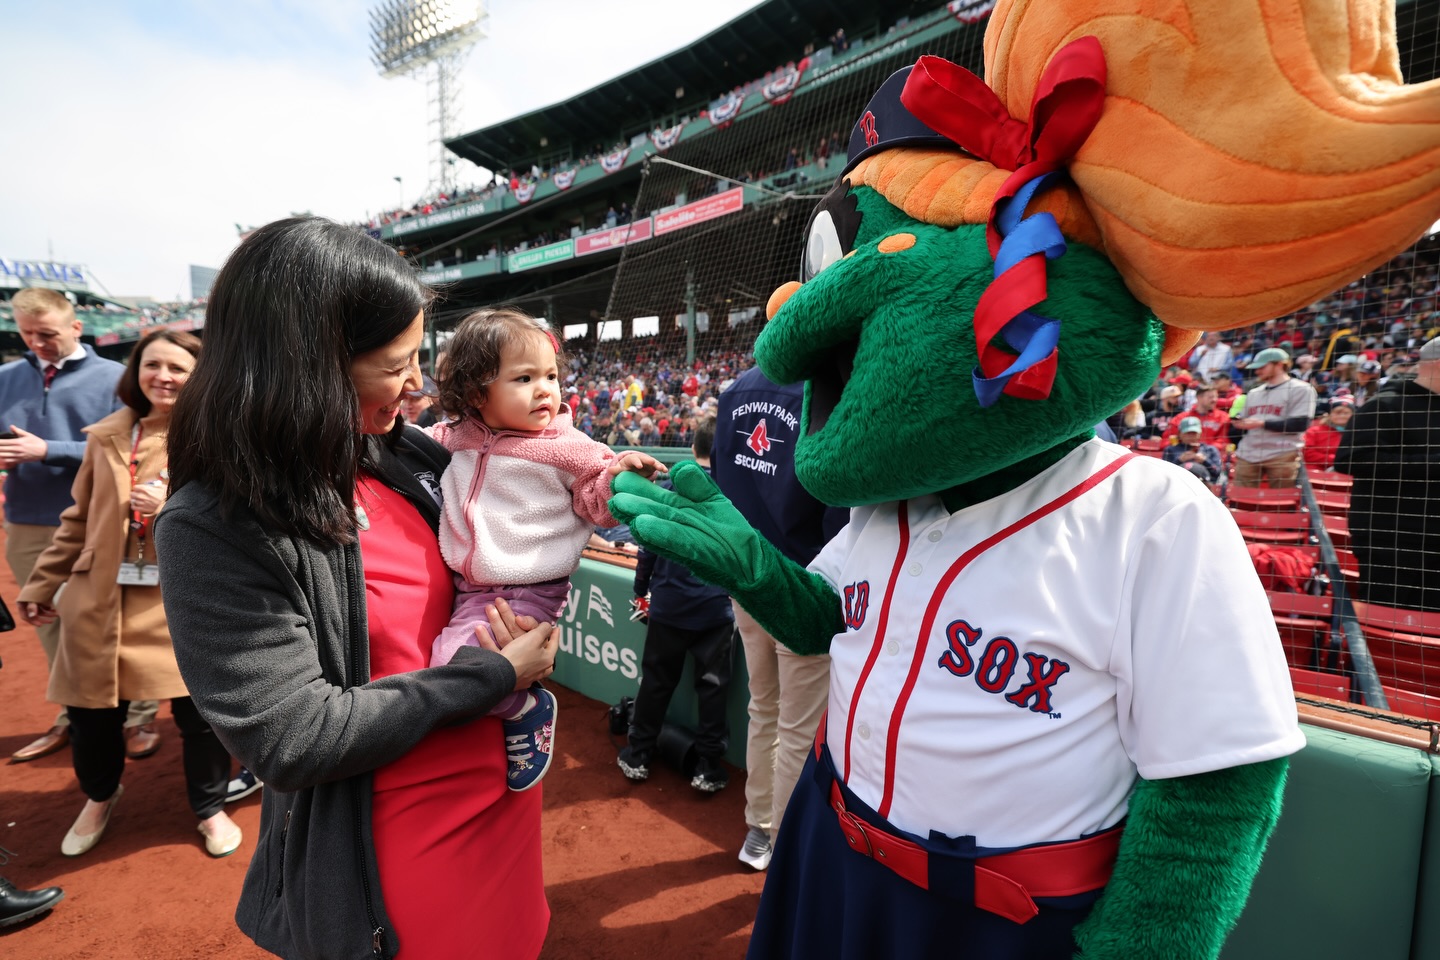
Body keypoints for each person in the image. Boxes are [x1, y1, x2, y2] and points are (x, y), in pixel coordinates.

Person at [154, 218, 556, 959]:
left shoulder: (404, 453)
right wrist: (494, 674)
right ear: (311, 365)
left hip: (499, 797)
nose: (416, 384)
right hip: (391, 845)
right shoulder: (213, 523)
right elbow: (294, 736)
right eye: (395, 363)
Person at [16, 330, 240, 858]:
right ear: (136, 371)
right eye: (152, 364)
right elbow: (76, 521)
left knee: (199, 716)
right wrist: (44, 583)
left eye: (177, 367)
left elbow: (239, 522)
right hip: (100, 600)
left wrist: (171, 508)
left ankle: (209, 807)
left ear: (198, 376)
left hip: (181, 602)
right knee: (92, 715)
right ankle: (99, 795)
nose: (163, 375)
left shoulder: (219, 439)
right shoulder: (107, 435)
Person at [426, 308, 664, 791]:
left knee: (455, 670)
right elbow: (410, 443)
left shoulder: (565, 444)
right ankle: (513, 711)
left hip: (530, 590)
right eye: (525, 377)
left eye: (551, 376)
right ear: (477, 393)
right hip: (471, 589)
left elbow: (598, 497)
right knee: (446, 662)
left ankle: (525, 709)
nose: (545, 390)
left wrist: (622, 475)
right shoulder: (457, 436)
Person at [0, 288, 159, 763]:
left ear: (75, 328)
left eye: (46, 334)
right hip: (27, 520)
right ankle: (72, 713)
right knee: (47, 620)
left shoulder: (117, 379)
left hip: (103, 521)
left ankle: (140, 714)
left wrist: (48, 450)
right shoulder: (6, 377)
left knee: (121, 616)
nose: (36, 344)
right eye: (27, 335)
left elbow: (130, 448)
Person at [711, 366, 847, 872]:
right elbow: (838, 507)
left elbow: (721, 485)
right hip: (804, 580)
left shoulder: (737, 389)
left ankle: (757, 832)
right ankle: (785, 848)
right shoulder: (827, 385)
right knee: (797, 727)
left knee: (763, 707)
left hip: (748, 576)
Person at [618, 416, 734, 793]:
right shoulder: (732, 494)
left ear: (692, 448)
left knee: (655, 684)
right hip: (715, 610)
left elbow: (648, 547)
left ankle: (638, 754)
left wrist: (640, 589)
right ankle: (708, 767)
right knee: (713, 690)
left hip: (669, 605)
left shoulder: (670, 489)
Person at [1333, 336, 1440, 612]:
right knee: (1386, 629)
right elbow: (1350, 459)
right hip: (1391, 543)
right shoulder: (1384, 404)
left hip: (1432, 540)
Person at [1232, 347, 1317, 488]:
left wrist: (1261, 423)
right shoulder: (1254, 392)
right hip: (1248, 452)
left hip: (1282, 453)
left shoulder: (1301, 388)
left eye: (1262, 367)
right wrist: (1239, 422)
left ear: (1279, 364)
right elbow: (1244, 420)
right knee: (1240, 500)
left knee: (1281, 503)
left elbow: (1300, 424)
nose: (1257, 371)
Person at [1162, 416, 1224, 490]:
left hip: (1205, 487)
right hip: (1177, 486)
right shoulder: (1170, 450)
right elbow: (1164, 473)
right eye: (1187, 433)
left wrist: (1204, 461)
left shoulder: (1210, 449)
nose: (1191, 436)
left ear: (1200, 433)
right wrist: (1180, 460)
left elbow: (1217, 473)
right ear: (1179, 434)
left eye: (1194, 433)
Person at [1160, 384, 1231, 447]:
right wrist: (1181, 447)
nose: (1215, 400)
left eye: (1216, 397)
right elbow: (1166, 441)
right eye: (1210, 397)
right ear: (1199, 398)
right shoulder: (1181, 417)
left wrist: (1203, 448)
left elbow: (1223, 442)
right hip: (1182, 456)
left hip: (1209, 456)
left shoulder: (1223, 417)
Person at [1302, 398, 1354, 470]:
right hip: (1316, 471)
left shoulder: (1357, 433)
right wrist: (1335, 460)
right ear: (1329, 415)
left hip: (1347, 471)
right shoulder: (1314, 431)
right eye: (1337, 412)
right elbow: (1306, 453)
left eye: (1346, 413)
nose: (1342, 416)